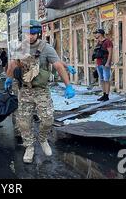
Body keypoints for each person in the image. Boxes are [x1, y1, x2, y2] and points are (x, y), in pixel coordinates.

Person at [5, 20, 76, 164]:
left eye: (32, 34)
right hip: (25, 90)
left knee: (48, 119)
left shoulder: (46, 48)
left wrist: (68, 85)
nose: (30, 37)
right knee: (23, 122)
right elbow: (13, 64)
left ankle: (43, 139)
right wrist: (8, 78)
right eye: (27, 34)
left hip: (41, 91)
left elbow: (57, 65)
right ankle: (29, 147)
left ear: (38, 33)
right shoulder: (20, 48)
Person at [93, 29, 113, 102]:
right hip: (99, 63)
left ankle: (107, 95)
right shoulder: (98, 42)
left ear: (100, 34)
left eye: (96, 33)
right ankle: (104, 94)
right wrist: (96, 64)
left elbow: (110, 53)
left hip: (105, 63)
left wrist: (108, 62)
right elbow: (97, 53)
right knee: (101, 79)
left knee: (106, 79)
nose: (95, 35)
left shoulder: (108, 42)